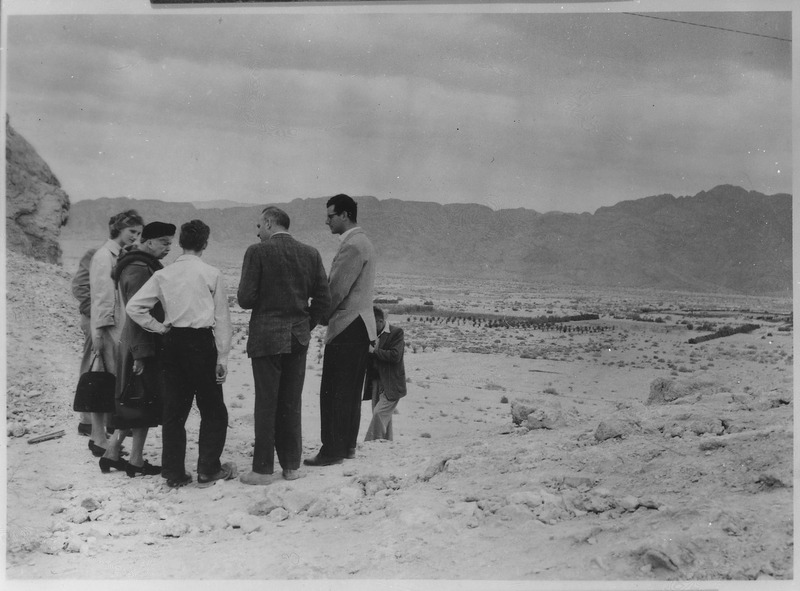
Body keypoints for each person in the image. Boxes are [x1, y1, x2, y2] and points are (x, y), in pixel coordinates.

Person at [126, 219, 235, 488]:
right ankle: (208, 469)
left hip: (173, 343)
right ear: (205, 244)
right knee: (213, 410)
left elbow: (134, 307)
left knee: (174, 411)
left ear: (181, 243)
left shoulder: (164, 274)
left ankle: (173, 473)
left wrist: (160, 328)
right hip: (201, 343)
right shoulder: (212, 273)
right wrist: (222, 357)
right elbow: (222, 318)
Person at [237, 206, 330, 485]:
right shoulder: (311, 253)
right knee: (291, 403)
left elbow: (245, 298)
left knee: (266, 403)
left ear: (268, 223)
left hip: (266, 338)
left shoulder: (257, 251)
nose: (257, 232)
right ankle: (291, 466)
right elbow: (323, 302)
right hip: (297, 339)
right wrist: (304, 325)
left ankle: (263, 470)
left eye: (258, 225)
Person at [98, 222, 176, 476]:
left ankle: (114, 454)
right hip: (140, 344)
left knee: (137, 403)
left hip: (136, 342)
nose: (168, 247)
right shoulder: (140, 269)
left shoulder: (134, 264)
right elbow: (137, 312)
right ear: (149, 241)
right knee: (141, 402)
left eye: (170, 242)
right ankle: (134, 460)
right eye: (164, 242)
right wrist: (141, 353)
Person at [305, 194, 376, 467]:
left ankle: (332, 450)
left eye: (331, 215)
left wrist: (320, 315)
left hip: (347, 325)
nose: (327, 221)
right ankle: (345, 447)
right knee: (349, 390)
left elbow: (335, 289)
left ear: (345, 215)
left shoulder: (353, 246)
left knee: (334, 390)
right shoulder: (363, 242)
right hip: (360, 326)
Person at [88, 210, 144, 457]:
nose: (135, 236)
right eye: (132, 231)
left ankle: (104, 436)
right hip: (108, 327)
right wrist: (99, 334)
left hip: (116, 326)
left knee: (110, 382)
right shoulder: (104, 256)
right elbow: (102, 297)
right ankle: (97, 437)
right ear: (119, 229)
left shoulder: (120, 255)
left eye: (139, 233)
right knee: (103, 382)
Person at [363, 307, 407, 441]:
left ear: (380, 321)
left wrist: (374, 351)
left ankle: (371, 443)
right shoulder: (371, 333)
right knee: (383, 416)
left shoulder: (396, 333)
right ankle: (386, 443)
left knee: (378, 414)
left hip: (392, 383)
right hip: (375, 382)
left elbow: (395, 356)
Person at [71, 246, 98, 436]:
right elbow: (79, 286)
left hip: (114, 320)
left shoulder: (128, 254)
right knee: (91, 365)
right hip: (94, 319)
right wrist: (94, 313)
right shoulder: (95, 254)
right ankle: (87, 421)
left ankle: (106, 419)